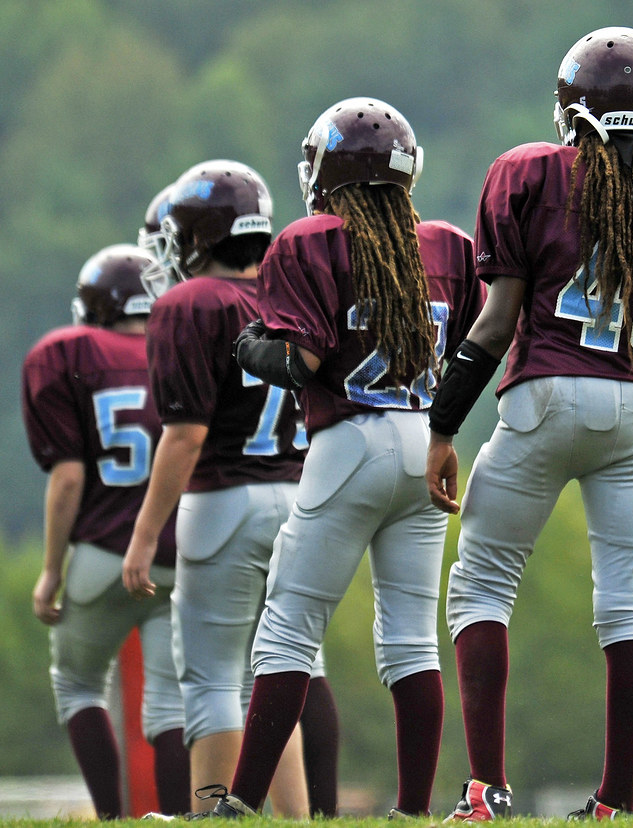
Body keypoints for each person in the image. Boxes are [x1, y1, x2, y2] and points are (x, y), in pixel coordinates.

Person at [425, 27, 633, 820]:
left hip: (545, 394)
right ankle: (615, 805)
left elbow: (495, 325)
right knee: (628, 605)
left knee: (482, 588)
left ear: (575, 110)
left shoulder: (529, 174)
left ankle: (484, 790)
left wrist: (442, 425)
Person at [187, 96, 485, 819]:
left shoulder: (313, 240)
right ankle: (413, 810)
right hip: (423, 436)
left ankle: (241, 805)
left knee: (288, 627)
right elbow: (476, 345)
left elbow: (302, 358)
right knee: (412, 639)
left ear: (328, 172)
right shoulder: (446, 246)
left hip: (349, 441)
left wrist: (252, 346)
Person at [122, 161, 336, 817]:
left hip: (225, 503)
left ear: (197, 234)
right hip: (298, 501)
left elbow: (183, 435)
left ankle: (212, 809)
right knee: (273, 672)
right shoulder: (286, 294)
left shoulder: (191, 302)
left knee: (212, 676)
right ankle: (295, 818)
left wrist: (142, 535)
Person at [21, 244, 191, 819]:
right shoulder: (181, 349)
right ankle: (174, 818)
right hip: (180, 550)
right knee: (171, 705)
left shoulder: (68, 354)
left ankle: (112, 818)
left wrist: (50, 569)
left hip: (102, 550)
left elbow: (68, 479)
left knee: (78, 685)